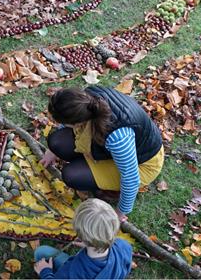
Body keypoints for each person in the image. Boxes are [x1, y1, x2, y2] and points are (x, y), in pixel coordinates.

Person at [41, 86, 164, 222]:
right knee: (57, 142)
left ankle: (110, 190)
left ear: (77, 122)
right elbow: (69, 119)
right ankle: (92, 165)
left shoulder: (117, 137)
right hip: (115, 147)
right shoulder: (86, 99)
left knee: (71, 175)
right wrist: (52, 150)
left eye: (64, 123)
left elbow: (130, 178)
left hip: (143, 163)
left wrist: (120, 212)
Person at [34, 198, 132, 279]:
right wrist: (88, 244)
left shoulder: (71, 272)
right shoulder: (124, 246)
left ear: (82, 237)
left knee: (41, 252)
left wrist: (45, 272)